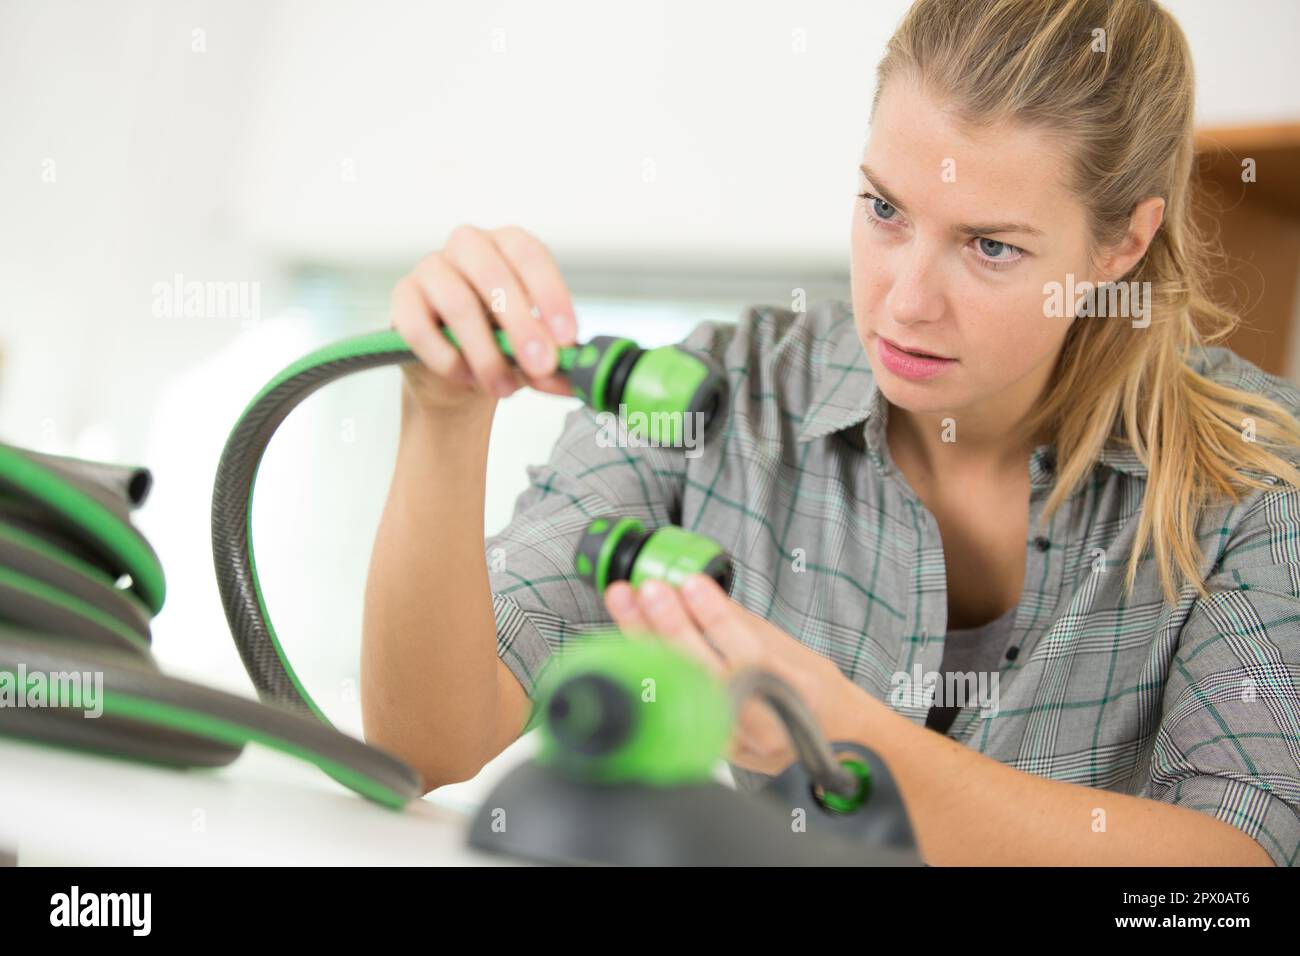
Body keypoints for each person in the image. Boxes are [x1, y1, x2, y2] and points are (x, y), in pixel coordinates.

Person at [362, 0, 1300, 865]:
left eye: (991, 246)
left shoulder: (1255, 480)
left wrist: (851, 736)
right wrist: (443, 419)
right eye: (885, 209)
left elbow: (1229, 884)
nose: (906, 301)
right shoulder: (721, 395)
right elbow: (428, 744)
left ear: (1121, 245)